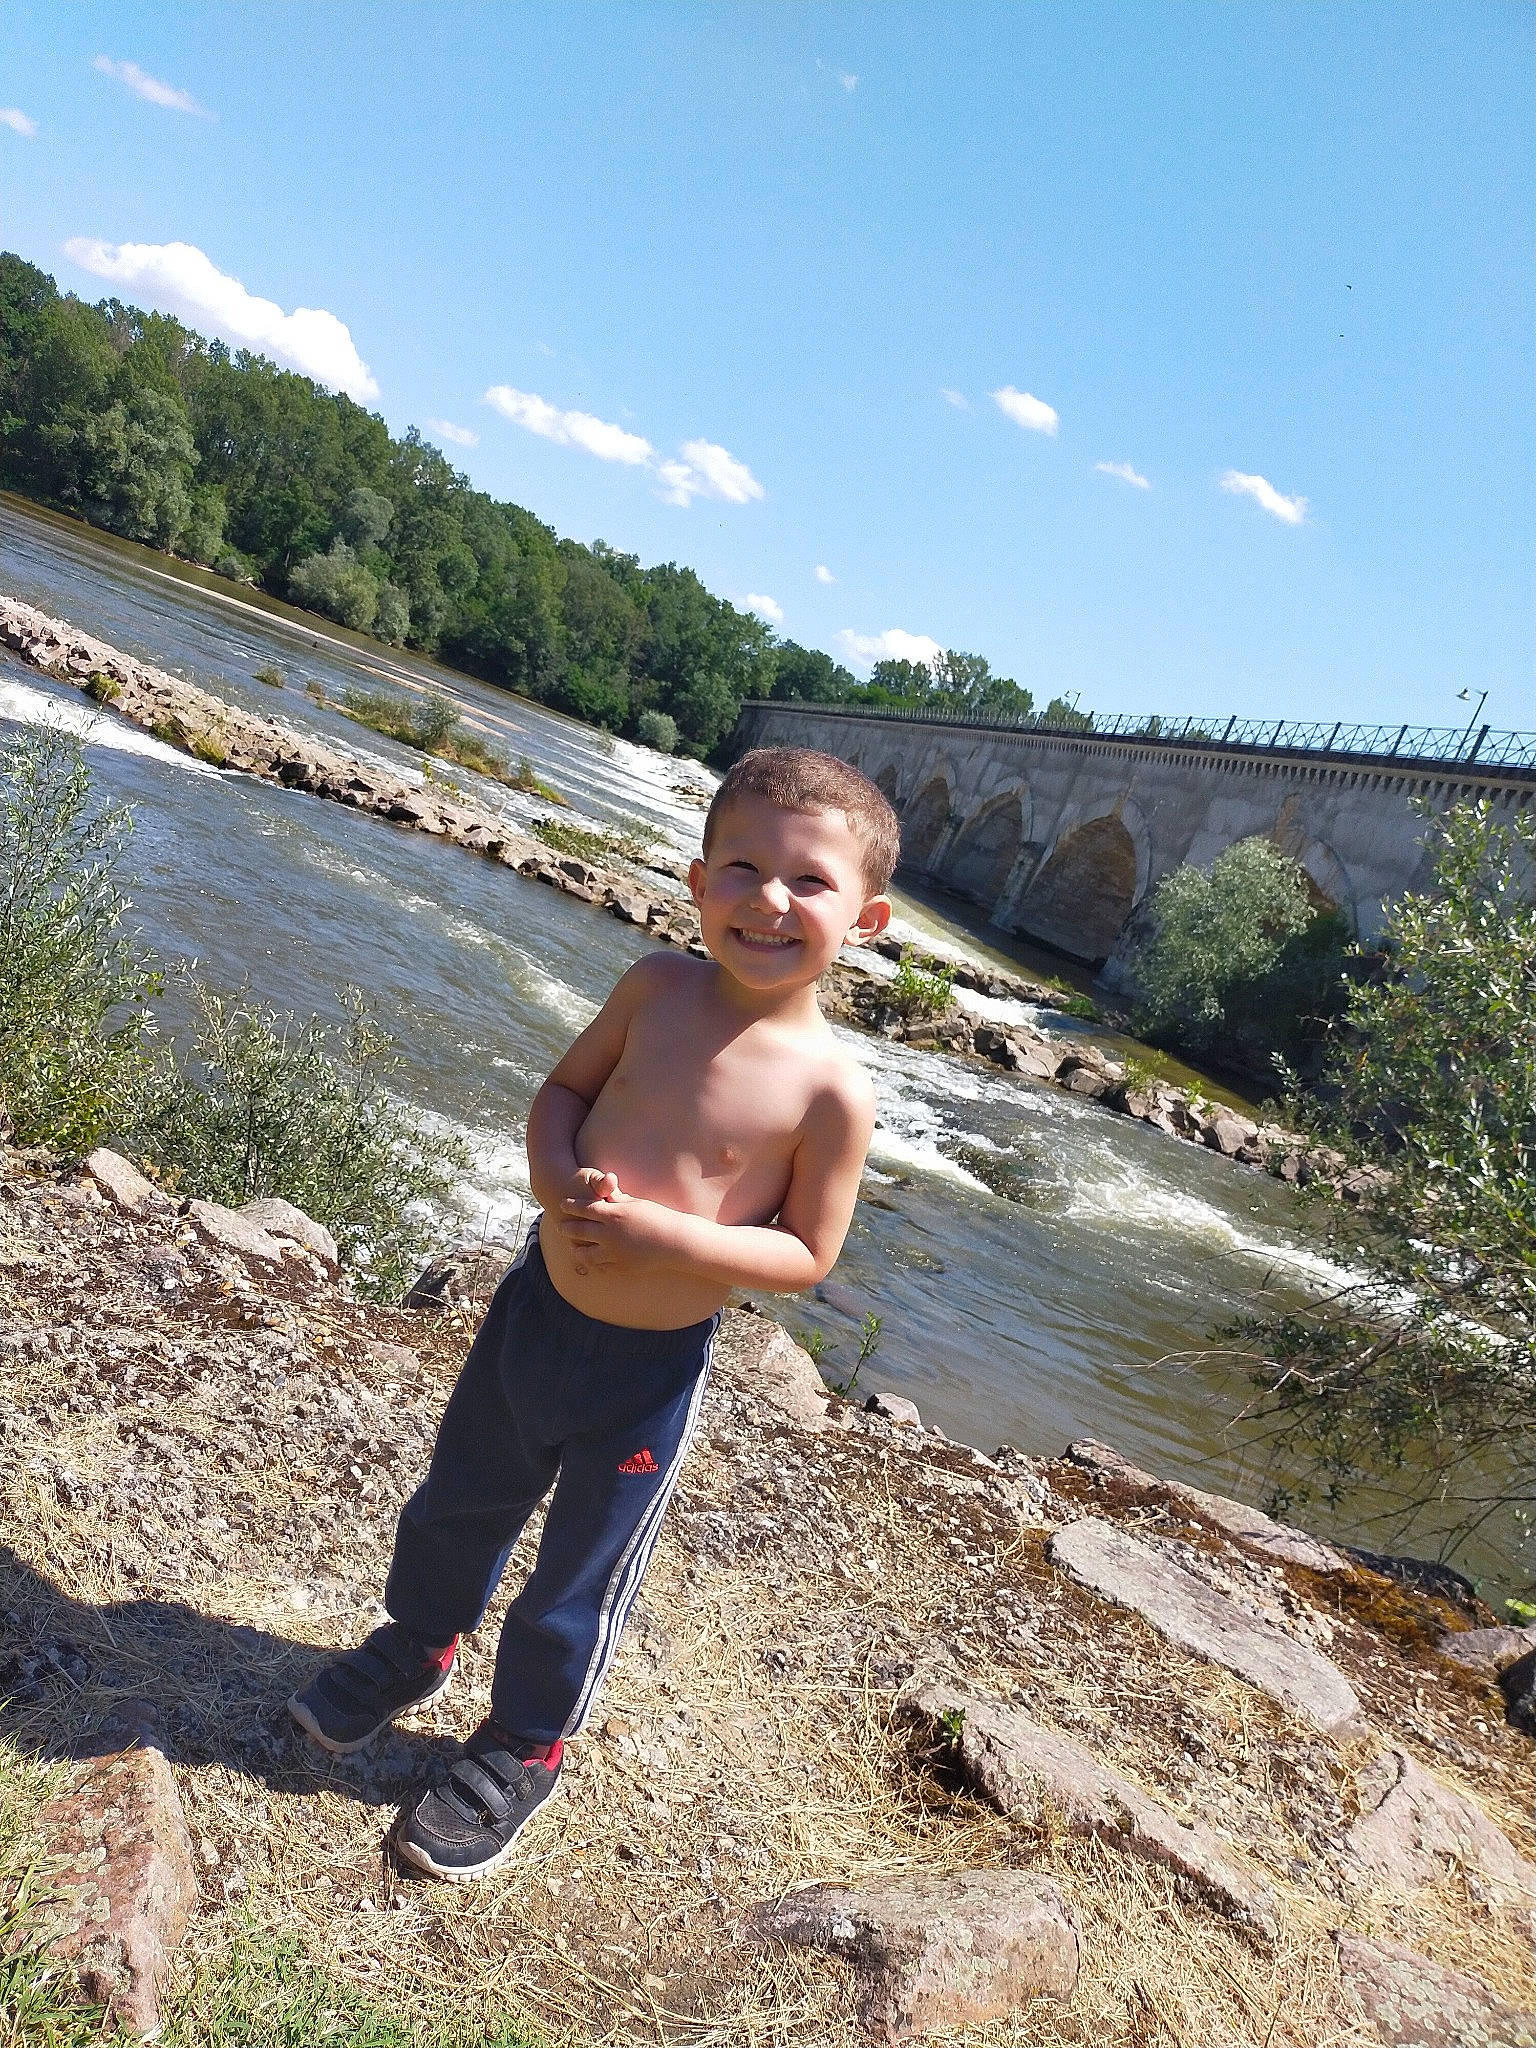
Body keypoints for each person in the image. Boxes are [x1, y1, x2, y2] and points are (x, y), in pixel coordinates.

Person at [288, 746, 898, 1880]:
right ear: (699, 876)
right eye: (743, 867)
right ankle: (418, 1640)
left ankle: (527, 1739)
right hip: (535, 1309)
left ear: (865, 917)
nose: (769, 898)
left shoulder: (830, 1090)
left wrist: (667, 1236)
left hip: (647, 1371)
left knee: (582, 1569)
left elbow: (807, 1249)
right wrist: (552, 1173)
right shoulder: (654, 987)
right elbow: (563, 1094)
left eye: (808, 881)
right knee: (457, 1500)